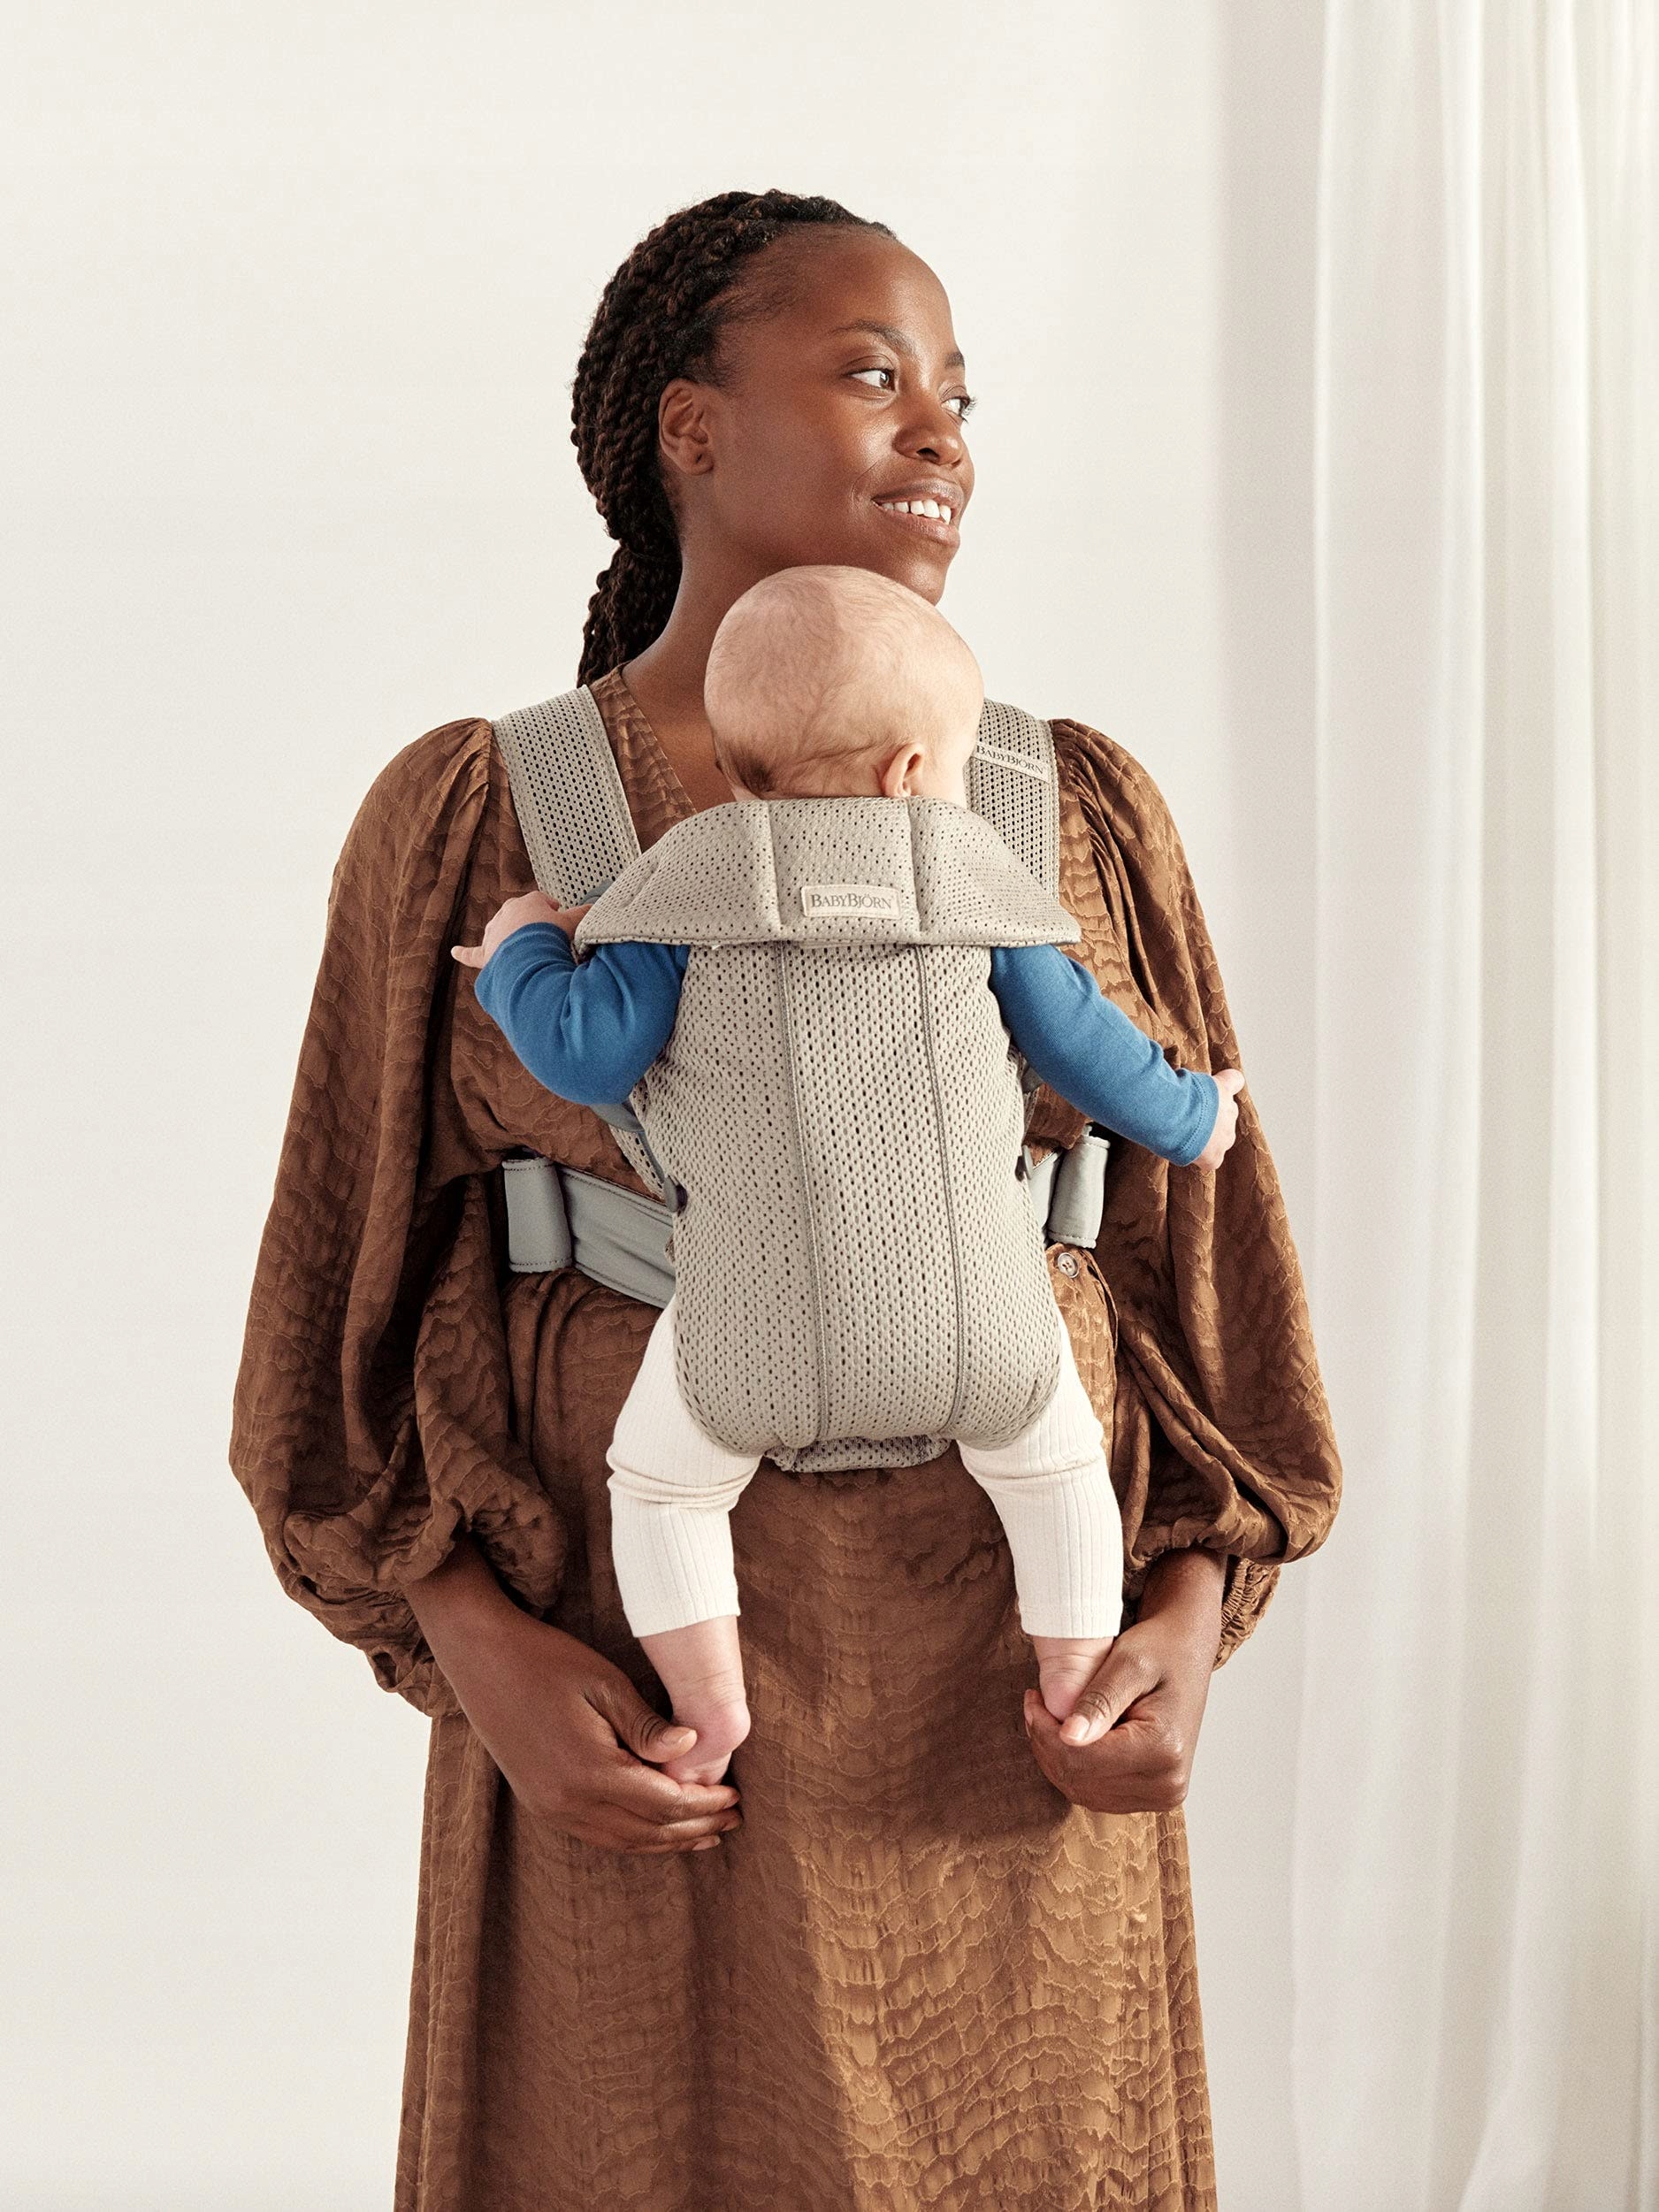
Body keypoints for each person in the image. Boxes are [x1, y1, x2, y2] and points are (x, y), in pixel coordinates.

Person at [230, 188, 1342, 2210]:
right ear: (687, 428)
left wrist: (1183, 1615)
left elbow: (1205, 1275)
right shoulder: (478, 813)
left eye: (957, 396)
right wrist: (473, 1646)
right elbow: (336, 1297)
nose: (940, 435)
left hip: (1016, 1687)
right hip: (636, 1700)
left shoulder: (1067, 809)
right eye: (870, 374)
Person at [453, 563, 1245, 1789]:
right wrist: (1197, 1119)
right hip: (984, 1327)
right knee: (1056, 1473)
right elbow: (1092, 1055)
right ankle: (1075, 1678)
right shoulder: (979, 888)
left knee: (659, 1493)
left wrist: (521, 951)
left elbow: (582, 1050)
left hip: (740, 1337)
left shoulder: (678, 893)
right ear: (911, 773)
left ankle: (708, 1711)